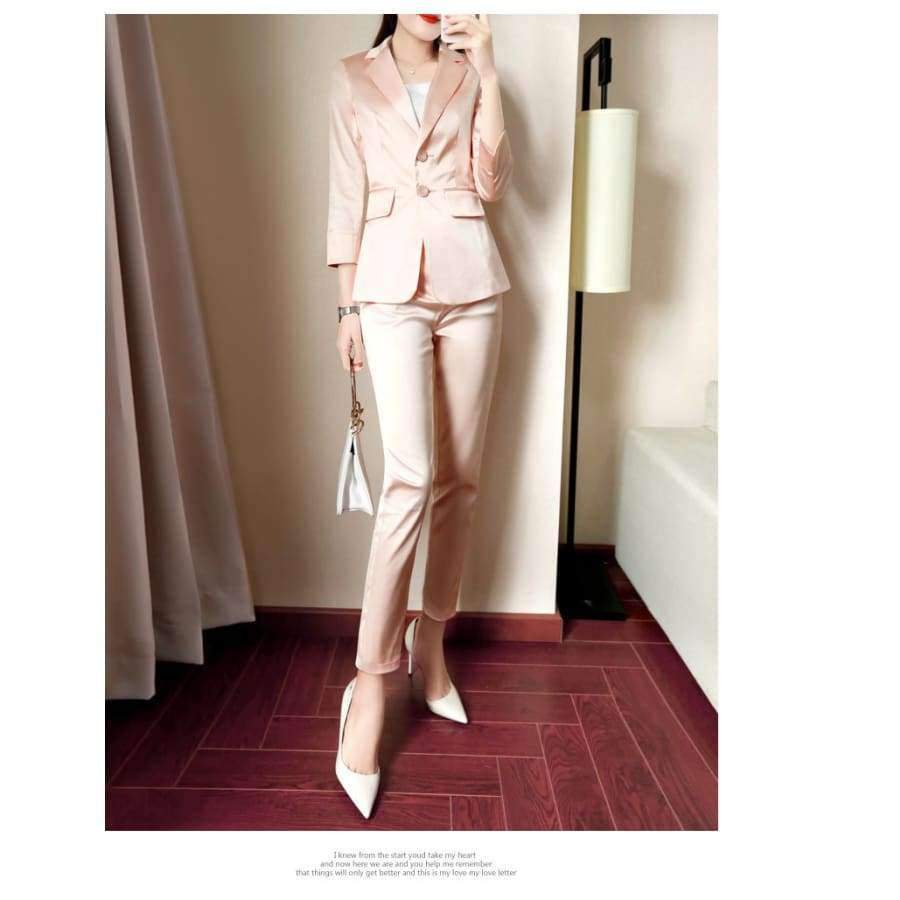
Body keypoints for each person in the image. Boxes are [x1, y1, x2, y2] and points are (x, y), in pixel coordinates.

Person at [327, 12, 513, 818]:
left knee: (460, 479)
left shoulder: (469, 73)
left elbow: (492, 184)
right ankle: (370, 682)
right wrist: (345, 308)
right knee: (411, 477)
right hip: (385, 287)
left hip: (472, 285)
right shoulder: (351, 76)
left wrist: (492, 74)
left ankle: (430, 642)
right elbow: (345, 194)